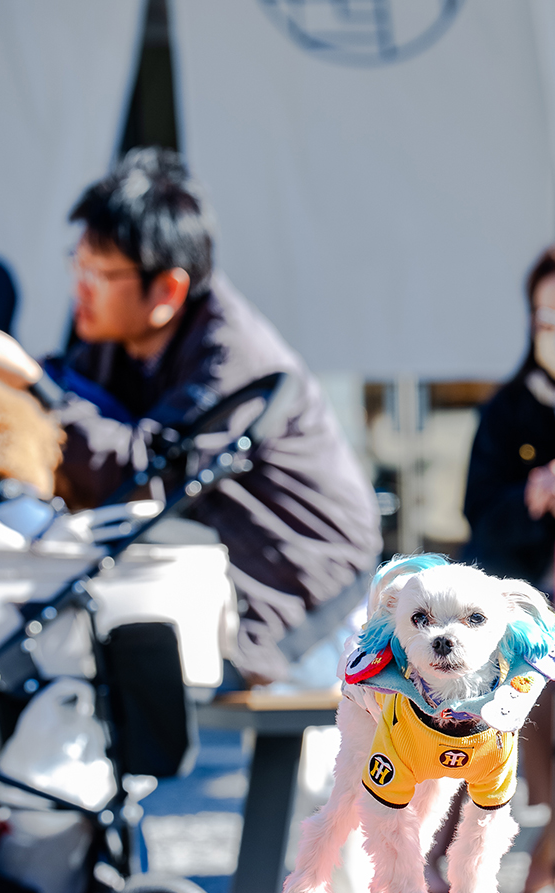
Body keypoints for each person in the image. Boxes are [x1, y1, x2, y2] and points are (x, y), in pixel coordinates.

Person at [46, 148, 381, 683]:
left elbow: (143, 476)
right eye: (77, 264)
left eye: (98, 271)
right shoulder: (115, 342)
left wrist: (33, 387)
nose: (79, 286)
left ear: (168, 289)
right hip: (227, 586)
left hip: (315, 609)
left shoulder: (234, 355)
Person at [461, 245, 555, 893]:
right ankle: (538, 860)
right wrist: (537, 493)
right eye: (548, 317)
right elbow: (479, 516)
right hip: (544, 606)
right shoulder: (511, 408)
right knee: (531, 716)